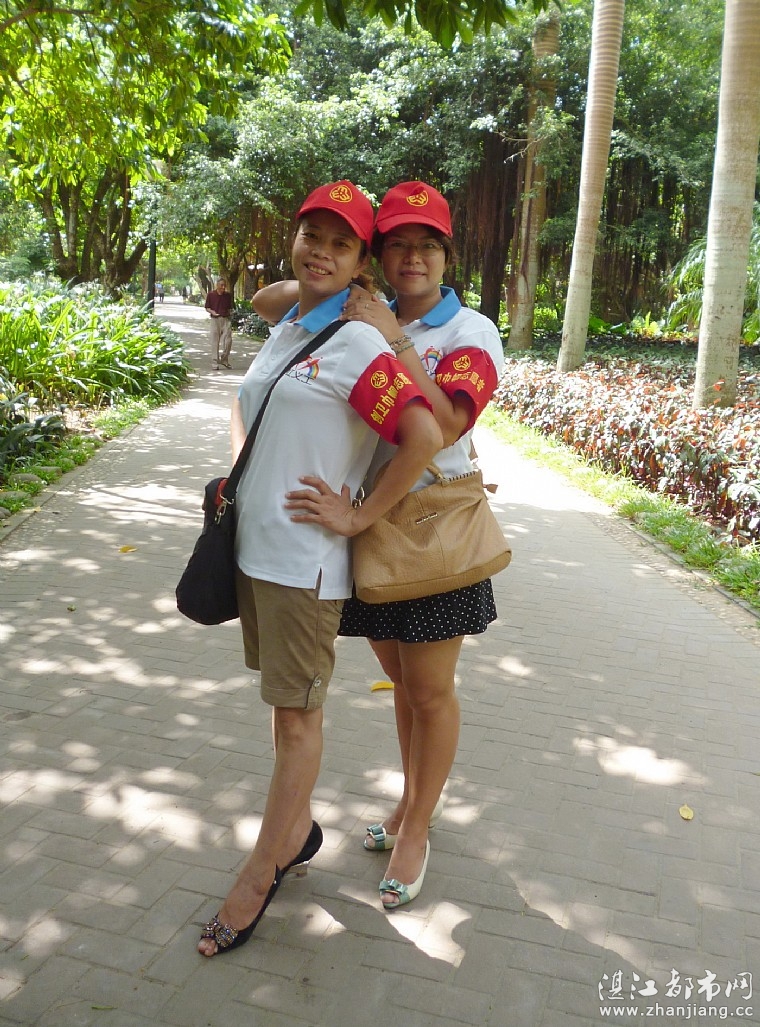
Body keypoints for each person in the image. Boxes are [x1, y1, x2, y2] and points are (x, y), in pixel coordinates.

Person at [197, 181, 443, 956]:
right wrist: (241, 467)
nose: (321, 252)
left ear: (362, 260)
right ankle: (297, 828)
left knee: (300, 720)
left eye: (342, 244)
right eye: (313, 235)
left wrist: (358, 515)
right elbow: (253, 384)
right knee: (283, 708)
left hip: (304, 566)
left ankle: (260, 871)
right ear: (295, 236)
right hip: (256, 554)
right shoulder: (295, 321)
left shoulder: (358, 345)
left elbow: (424, 436)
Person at [254, 181, 504, 910]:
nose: (413, 258)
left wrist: (391, 333)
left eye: (427, 245)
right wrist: (336, 287)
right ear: (379, 256)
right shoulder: (360, 312)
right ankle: (406, 801)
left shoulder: (471, 331)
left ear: (447, 255)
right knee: (401, 682)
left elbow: (446, 424)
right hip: (368, 531)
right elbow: (270, 302)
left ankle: (417, 827)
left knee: (431, 689)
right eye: (397, 245)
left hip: (431, 531)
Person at [205, 278, 234, 370]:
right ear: (217, 285)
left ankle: (224, 359)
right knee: (215, 342)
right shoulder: (211, 295)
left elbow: (230, 308)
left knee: (228, 341)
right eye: (221, 285)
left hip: (226, 320)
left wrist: (231, 313)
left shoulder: (228, 295)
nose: (223, 287)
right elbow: (207, 307)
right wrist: (212, 312)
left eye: (224, 285)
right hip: (215, 320)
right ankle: (215, 362)